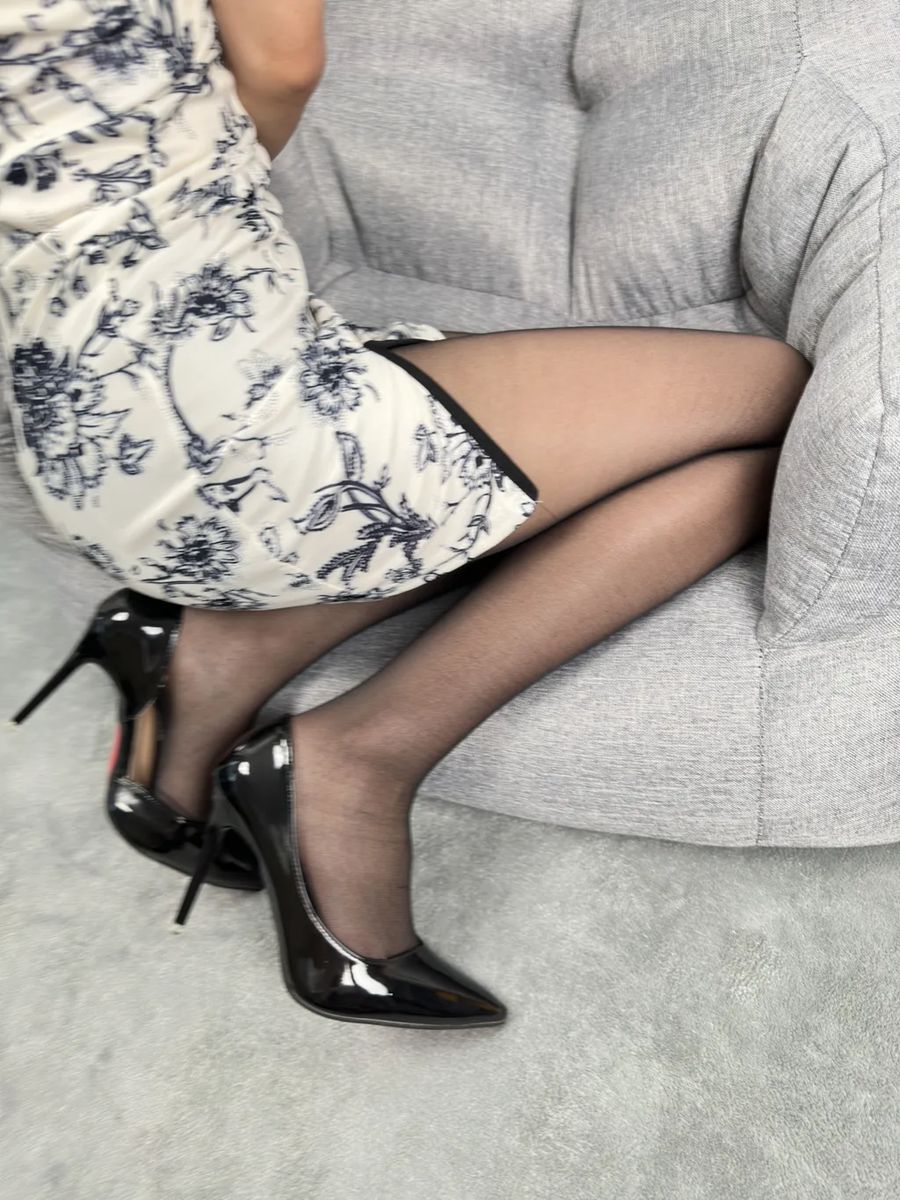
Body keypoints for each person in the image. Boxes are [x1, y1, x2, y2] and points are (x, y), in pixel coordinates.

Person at [1, 1, 812, 1029]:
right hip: (232, 434)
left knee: (621, 450)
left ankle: (216, 653)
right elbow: (281, 64)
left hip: (74, 437)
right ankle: (359, 754)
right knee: (779, 399)